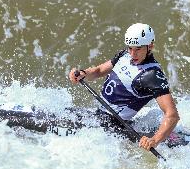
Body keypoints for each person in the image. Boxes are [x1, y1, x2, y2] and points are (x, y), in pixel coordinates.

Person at [69, 23, 180, 151]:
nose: (133, 54)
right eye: (130, 48)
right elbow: (99, 71)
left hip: (111, 127)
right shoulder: (124, 55)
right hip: (97, 115)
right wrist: (83, 73)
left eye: (138, 49)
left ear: (150, 46)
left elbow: (172, 114)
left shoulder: (152, 75)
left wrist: (154, 140)